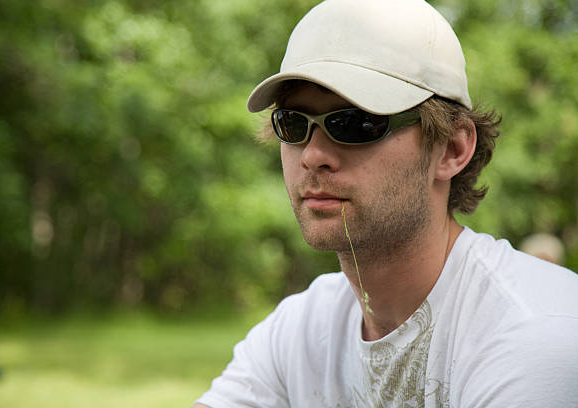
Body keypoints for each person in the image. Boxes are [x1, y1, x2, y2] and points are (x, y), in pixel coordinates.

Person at [193, 0, 578, 406]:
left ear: (451, 148)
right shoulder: (302, 332)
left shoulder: (534, 336)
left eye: (357, 122)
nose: (312, 154)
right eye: (294, 123)